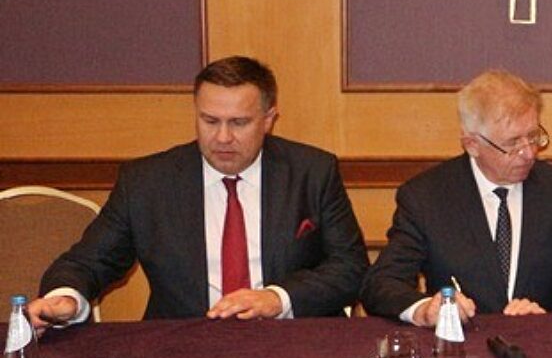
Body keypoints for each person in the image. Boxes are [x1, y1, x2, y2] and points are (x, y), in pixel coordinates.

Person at [28, 56, 367, 326]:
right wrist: (67, 298)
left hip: (290, 344)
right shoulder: (147, 182)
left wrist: (278, 298)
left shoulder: (312, 172)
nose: (222, 137)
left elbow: (351, 267)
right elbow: (87, 262)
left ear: (268, 119)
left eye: (239, 123)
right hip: (181, 347)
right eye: (210, 121)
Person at [361, 69, 552, 325]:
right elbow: (381, 283)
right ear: (472, 144)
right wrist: (425, 310)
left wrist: (545, 321)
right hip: (461, 343)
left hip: (545, 345)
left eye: (533, 136)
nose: (529, 153)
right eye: (513, 143)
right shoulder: (426, 197)